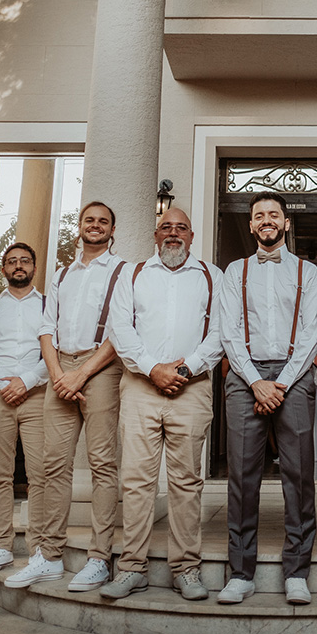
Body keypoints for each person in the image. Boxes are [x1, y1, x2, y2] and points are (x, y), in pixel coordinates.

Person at [101, 207, 223, 601]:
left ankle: (186, 569)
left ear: (192, 236)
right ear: (156, 236)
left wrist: (184, 369)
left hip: (192, 389)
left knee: (186, 482)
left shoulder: (211, 276)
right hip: (140, 387)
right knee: (137, 480)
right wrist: (154, 369)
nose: (173, 233)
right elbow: (120, 328)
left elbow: (220, 332)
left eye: (181, 228)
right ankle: (131, 568)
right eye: (166, 227)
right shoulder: (132, 274)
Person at [5, 202, 124, 591]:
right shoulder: (62, 274)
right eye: (89, 220)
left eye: (103, 221)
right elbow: (46, 327)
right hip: (61, 368)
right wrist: (58, 374)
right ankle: (50, 556)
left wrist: (81, 374)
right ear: (80, 227)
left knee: (102, 464)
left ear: (112, 230)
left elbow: (122, 331)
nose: (95, 225)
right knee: (53, 465)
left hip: (101, 366)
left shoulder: (124, 271)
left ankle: (99, 558)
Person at [218, 192, 317, 606]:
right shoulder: (235, 271)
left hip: (294, 376)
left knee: (299, 476)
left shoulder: (307, 272)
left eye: (274, 214)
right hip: (245, 376)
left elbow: (313, 332)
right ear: (251, 225)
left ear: (285, 223)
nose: (266, 220)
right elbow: (228, 330)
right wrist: (255, 382)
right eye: (259, 215)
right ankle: (241, 572)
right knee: (242, 477)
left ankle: (297, 570)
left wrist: (281, 383)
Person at [0, 243, 48, 575]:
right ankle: (1, 546)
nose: (19, 266)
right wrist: (5, 384)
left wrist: (25, 382)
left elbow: (55, 352)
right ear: (3, 269)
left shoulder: (49, 306)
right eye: (12, 261)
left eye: (24, 261)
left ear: (34, 268)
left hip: (39, 395)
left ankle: (39, 548)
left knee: (41, 475)